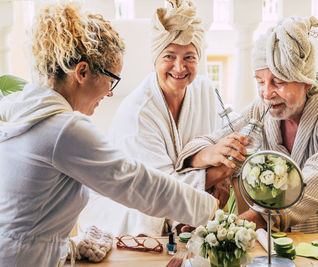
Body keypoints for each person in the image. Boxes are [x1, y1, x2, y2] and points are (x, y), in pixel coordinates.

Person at [0, 2, 218, 267]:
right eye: (111, 79)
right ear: (82, 72)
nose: (111, 92)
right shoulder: (64, 130)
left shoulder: (20, 108)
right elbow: (138, 183)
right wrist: (211, 210)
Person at [175, 16, 318, 266]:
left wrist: (239, 224)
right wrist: (210, 153)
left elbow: (310, 187)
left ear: (306, 80)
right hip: (311, 214)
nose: (266, 93)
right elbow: (198, 144)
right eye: (260, 82)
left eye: (278, 82)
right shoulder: (262, 109)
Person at [79, 0, 233, 237]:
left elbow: (222, 144)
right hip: (130, 219)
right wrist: (219, 173)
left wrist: (223, 179)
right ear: (155, 59)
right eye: (169, 56)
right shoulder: (138, 113)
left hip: (184, 213)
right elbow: (160, 190)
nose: (179, 67)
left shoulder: (205, 91)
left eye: (189, 57)